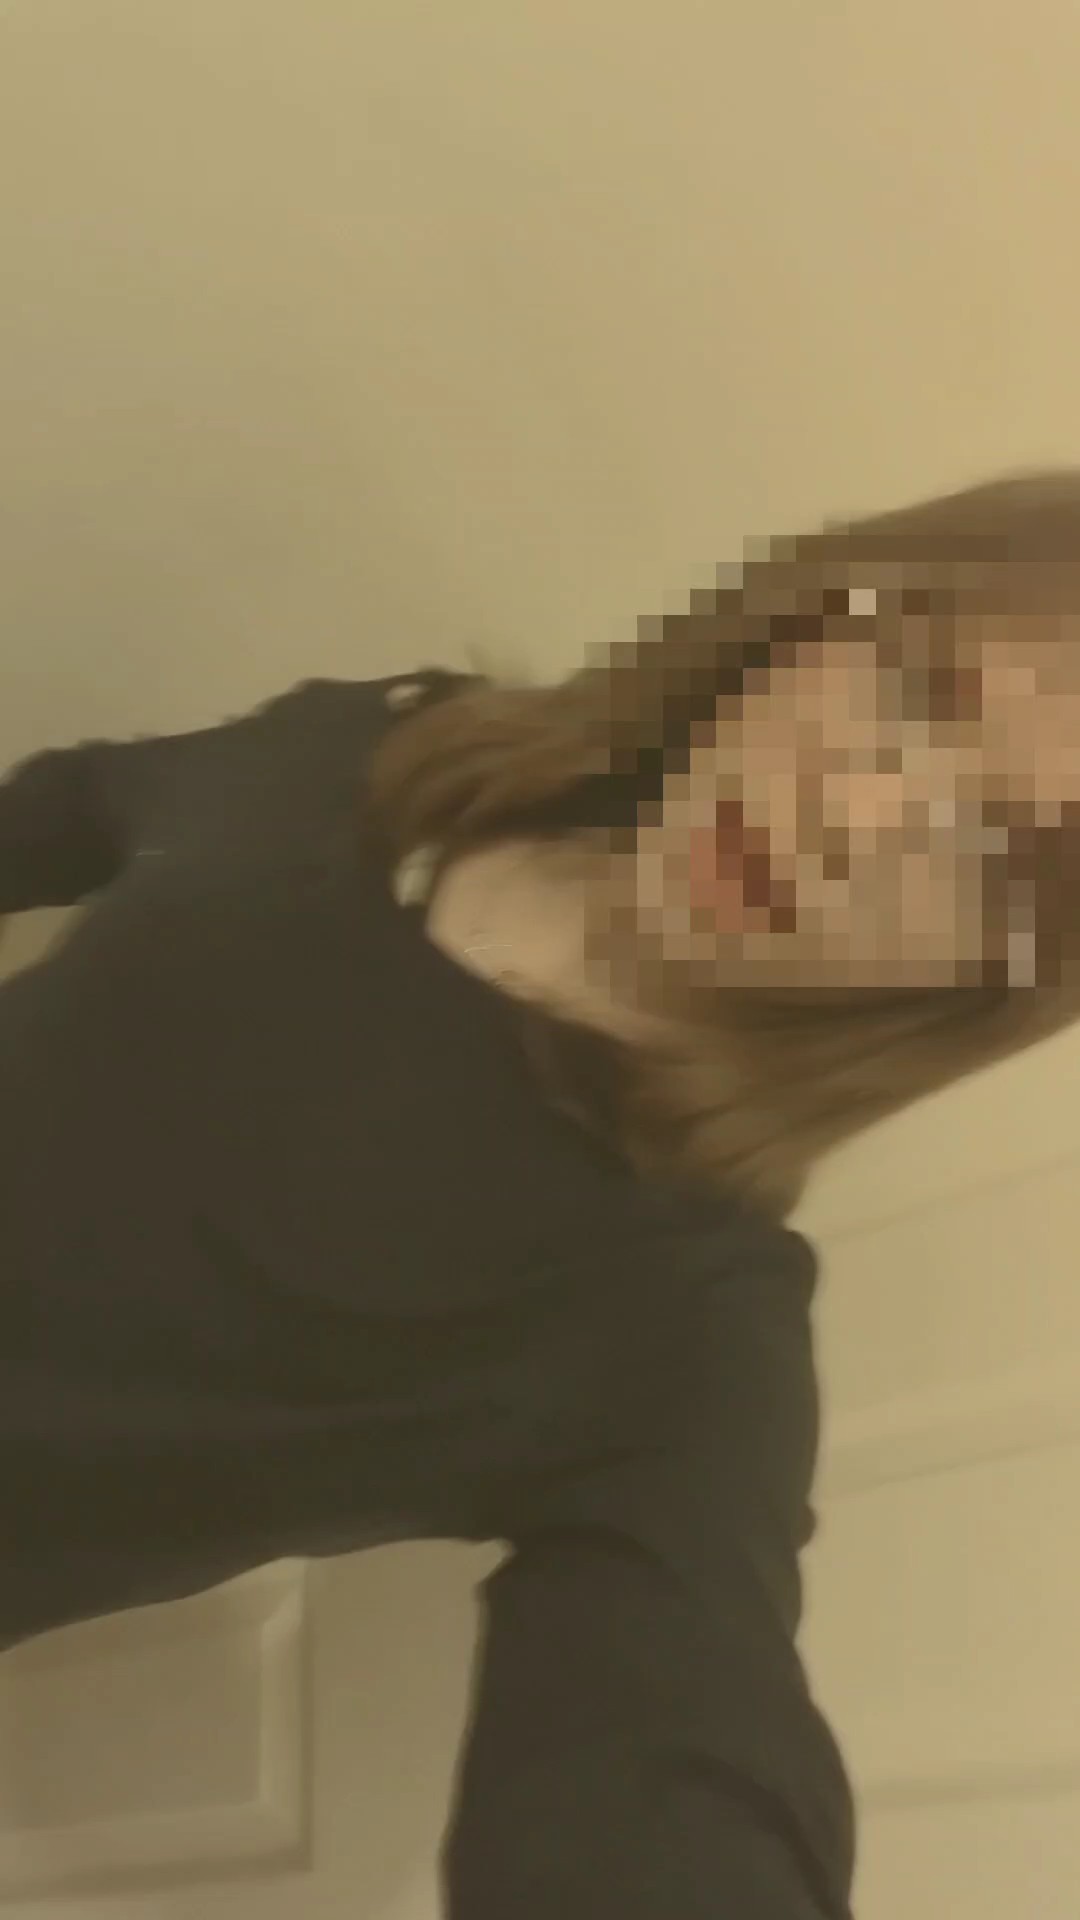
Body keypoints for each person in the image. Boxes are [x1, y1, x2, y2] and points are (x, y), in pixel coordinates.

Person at [3, 471, 1080, 1920]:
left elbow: (675, 1738)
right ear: (813, 616)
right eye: (913, 687)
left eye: (992, 856)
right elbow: (88, 799)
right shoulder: (390, 742)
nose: (859, 816)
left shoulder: (679, 1321)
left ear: (985, 979)